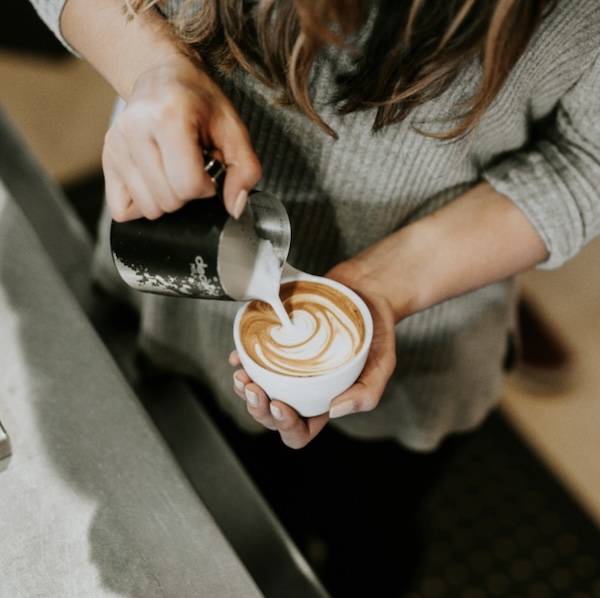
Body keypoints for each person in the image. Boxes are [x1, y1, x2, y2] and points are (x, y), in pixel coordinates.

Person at [29, 0, 600, 455]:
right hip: (175, 289)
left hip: (425, 344)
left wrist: (387, 284)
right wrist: (150, 66)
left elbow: (585, 159)